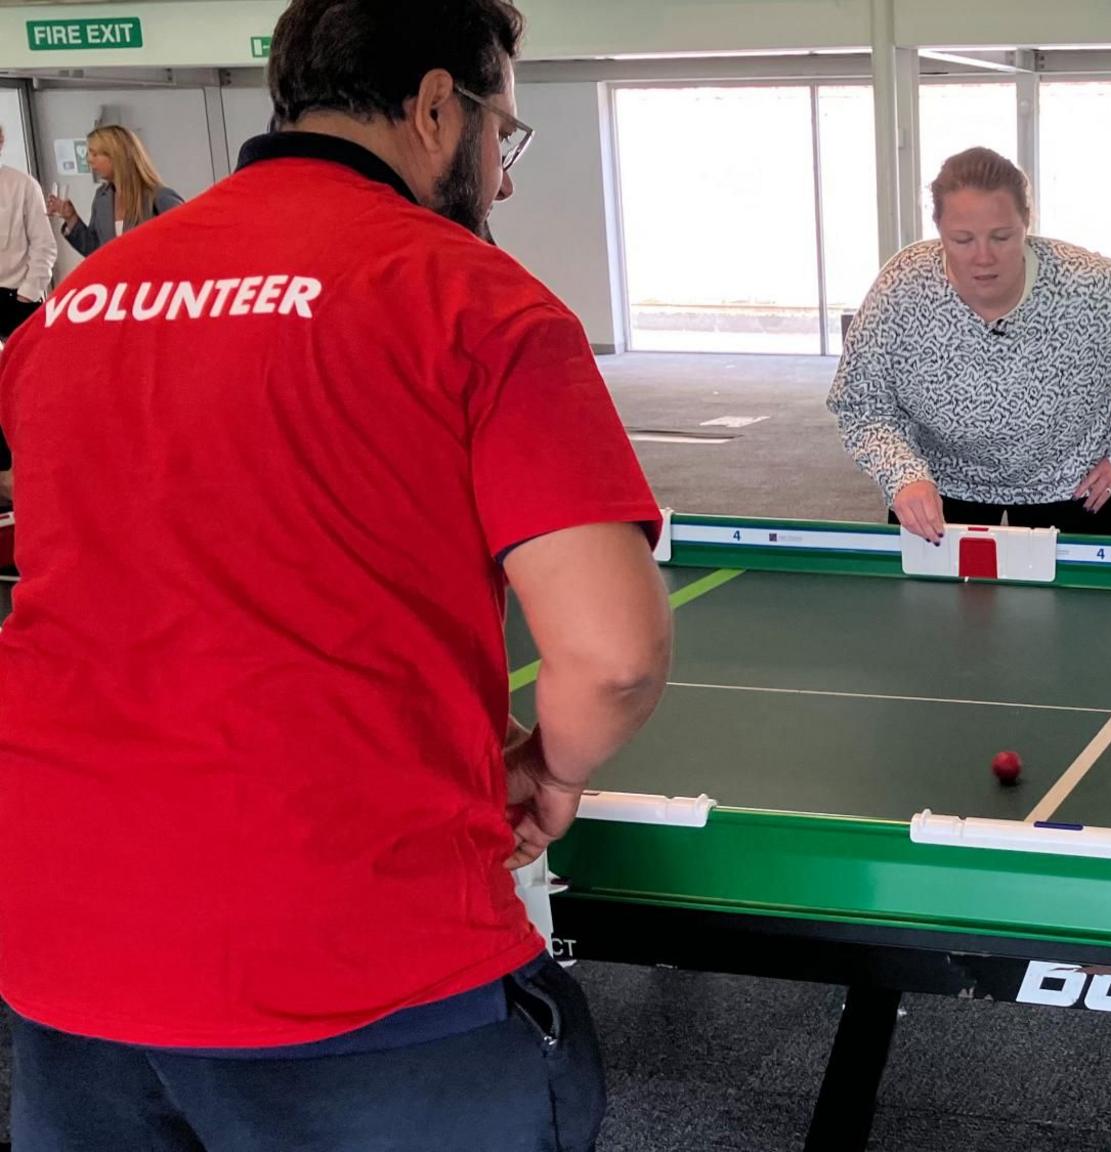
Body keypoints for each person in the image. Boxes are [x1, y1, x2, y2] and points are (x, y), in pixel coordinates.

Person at [0, 1, 674, 1149]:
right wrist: (548, 772)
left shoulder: (80, 304)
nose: (501, 180)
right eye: (499, 133)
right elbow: (610, 656)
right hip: (357, 958)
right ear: (431, 106)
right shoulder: (473, 298)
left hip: (62, 947)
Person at [829, 147, 1111, 540]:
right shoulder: (902, 286)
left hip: (1070, 482)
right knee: (935, 601)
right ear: (938, 229)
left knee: (1074, 600)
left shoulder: (1092, 287)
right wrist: (901, 474)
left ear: (1027, 223)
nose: (983, 257)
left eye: (1002, 237)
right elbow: (861, 402)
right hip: (939, 482)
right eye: (962, 239)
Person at [45, 124, 186, 258]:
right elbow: (96, 251)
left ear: (116, 156)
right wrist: (71, 218)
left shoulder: (159, 197)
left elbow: (187, 243)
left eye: (95, 154)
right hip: (118, 282)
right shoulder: (102, 197)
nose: (89, 160)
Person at [0, 125, 58, 339]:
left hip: (15, 297)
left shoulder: (22, 185)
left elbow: (44, 246)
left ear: (1, 141)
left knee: (25, 369)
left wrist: (28, 294)